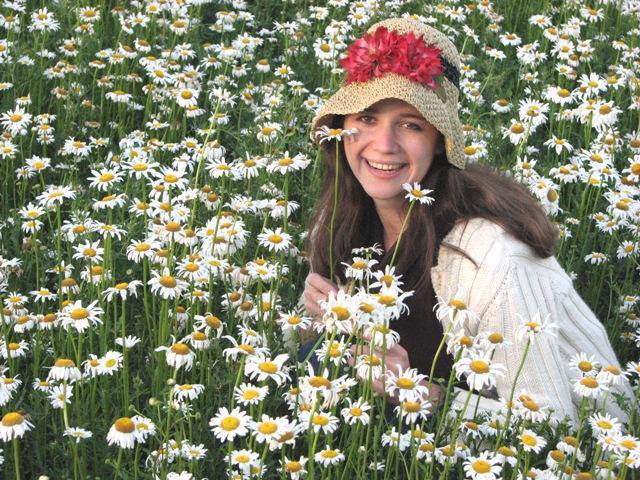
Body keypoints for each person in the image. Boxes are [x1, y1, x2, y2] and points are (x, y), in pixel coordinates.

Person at [300, 17, 632, 424]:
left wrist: (418, 392)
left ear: (440, 142)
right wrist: (323, 320)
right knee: (314, 360)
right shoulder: (343, 216)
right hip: (415, 432)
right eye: (367, 118)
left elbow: (550, 420)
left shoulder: (491, 252)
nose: (383, 145)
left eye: (410, 124)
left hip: (577, 439)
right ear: (342, 127)